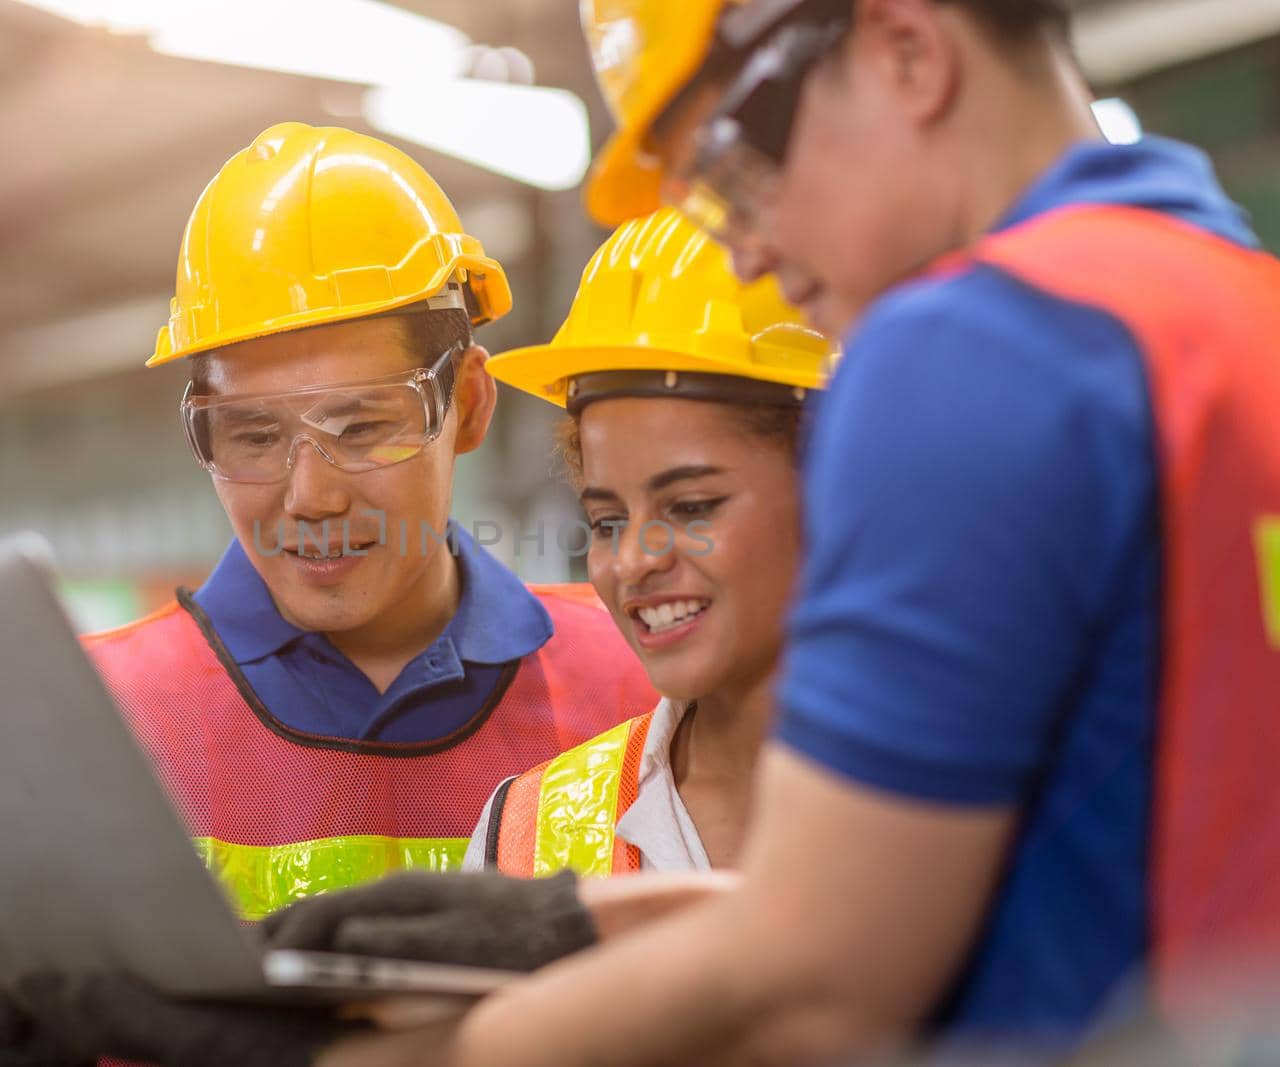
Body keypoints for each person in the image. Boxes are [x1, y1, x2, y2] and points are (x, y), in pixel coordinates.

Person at [210, 0, 1280, 1063]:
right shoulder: (1236, 310)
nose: (750, 249)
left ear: (904, 46)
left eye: (732, 168)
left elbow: (819, 984)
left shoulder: (972, 351)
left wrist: (382, 1054)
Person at [0, 122, 657, 1067]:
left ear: (466, 402)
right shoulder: (86, 718)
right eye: (252, 436)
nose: (309, 496)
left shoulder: (640, 686)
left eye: (360, 422)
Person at [462, 207, 832, 878]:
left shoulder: (983, 801)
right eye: (606, 521)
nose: (632, 560)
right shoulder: (523, 836)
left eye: (690, 506)